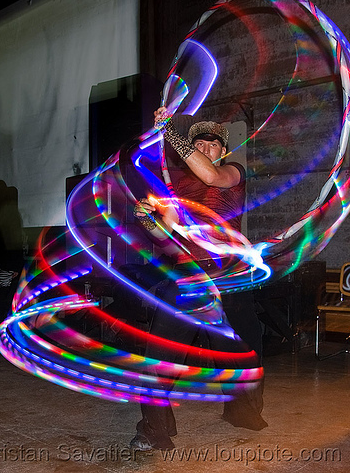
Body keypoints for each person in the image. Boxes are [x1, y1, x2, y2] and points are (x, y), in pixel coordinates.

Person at [129, 107, 266, 451]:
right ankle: (154, 427)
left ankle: (243, 411)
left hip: (228, 273)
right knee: (162, 351)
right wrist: (147, 219)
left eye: (212, 144)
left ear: (224, 150)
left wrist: (169, 130)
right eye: (199, 143)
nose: (206, 149)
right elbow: (167, 232)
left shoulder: (234, 172)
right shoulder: (173, 184)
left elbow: (211, 178)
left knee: (241, 350)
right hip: (188, 275)